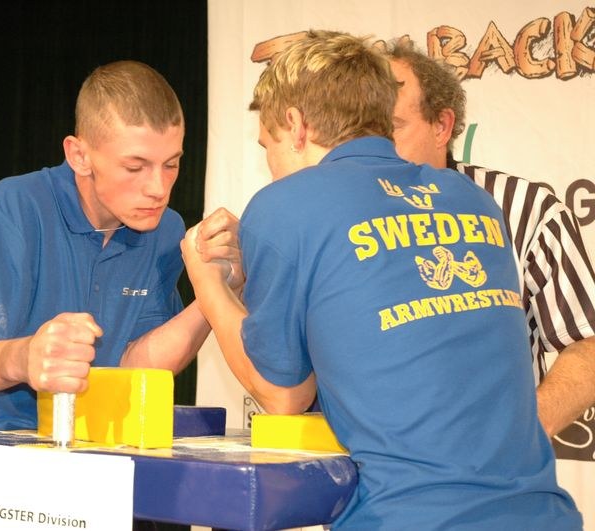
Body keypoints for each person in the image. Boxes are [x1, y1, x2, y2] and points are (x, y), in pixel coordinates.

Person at [182, 32, 582, 529]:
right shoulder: (473, 199)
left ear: (295, 124)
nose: (270, 166)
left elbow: (284, 397)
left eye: (268, 146)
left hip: (405, 516)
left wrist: (209, 284)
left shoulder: (286, 205)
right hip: (540, 513)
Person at [0, 60, 241, 435]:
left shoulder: (165, 228)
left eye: (171, 164)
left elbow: (132, 364)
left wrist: (219, 289)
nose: (158, 188)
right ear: (79, 156)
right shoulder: (17, 207)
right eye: (135, 167)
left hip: (97, 452)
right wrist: (23, 357)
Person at [385, 40, 595, 438]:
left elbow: (587, 341)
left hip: (490, 482)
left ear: (441, 126)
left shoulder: (525, 209)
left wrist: (526, 428)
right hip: (364, 475)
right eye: (365, 129)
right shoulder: (334, 213)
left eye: (393, 127)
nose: (376, 145)